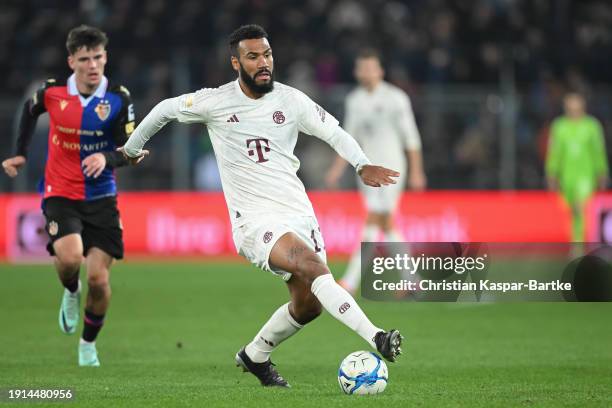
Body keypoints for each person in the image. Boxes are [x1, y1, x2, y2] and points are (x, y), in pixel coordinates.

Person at [120, 24, 402, 387]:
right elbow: (164, 109)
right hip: (254, 221)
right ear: (236, 62)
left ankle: (255, 356)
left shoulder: (290, 100)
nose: (263, 62)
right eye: (253, 56)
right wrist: (130, 149)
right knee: (311, 266)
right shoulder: (216, 102)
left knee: (309, 305)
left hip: (299, 214)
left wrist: (362, 164)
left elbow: (333, 131)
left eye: (267, 54)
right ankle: (377, 336)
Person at [2, 25, 147, 366]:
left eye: (98, 57)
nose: (93, 65)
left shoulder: (119, 98)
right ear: (72, 61)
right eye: (85, 59)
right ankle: (70, 290)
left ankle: (87, 344)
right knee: (69, 259)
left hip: (102, 196)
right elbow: (28, 109)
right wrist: (20, 153)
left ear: (105, 57)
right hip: (60, 191)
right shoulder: (53, 93)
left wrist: (109, 157)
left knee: (98, 278)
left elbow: (130, 150)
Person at [325, 49, 426, 295]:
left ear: (380, 71)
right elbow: (347, 140)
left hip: (391, 170)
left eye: (371, 68)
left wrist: (416, 171)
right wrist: (336, 170)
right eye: (362, 68)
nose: (367, 73)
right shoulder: (355, 101)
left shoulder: (396, 98)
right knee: (386, 224)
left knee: (376, 219)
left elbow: (411, 138)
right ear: (356, 72)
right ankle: (411, 279)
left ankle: (349, 282)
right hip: (366, 171)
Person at [546, 92, 608, 242]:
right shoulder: (559, 126)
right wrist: (552, 173)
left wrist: (602, 172)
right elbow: (554, 152)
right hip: (567, 175)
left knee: (580, 207)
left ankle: (579, 245)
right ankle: (577, 241)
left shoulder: (592, 126)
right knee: (573, 211)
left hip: (586, 174)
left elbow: (598, 151)